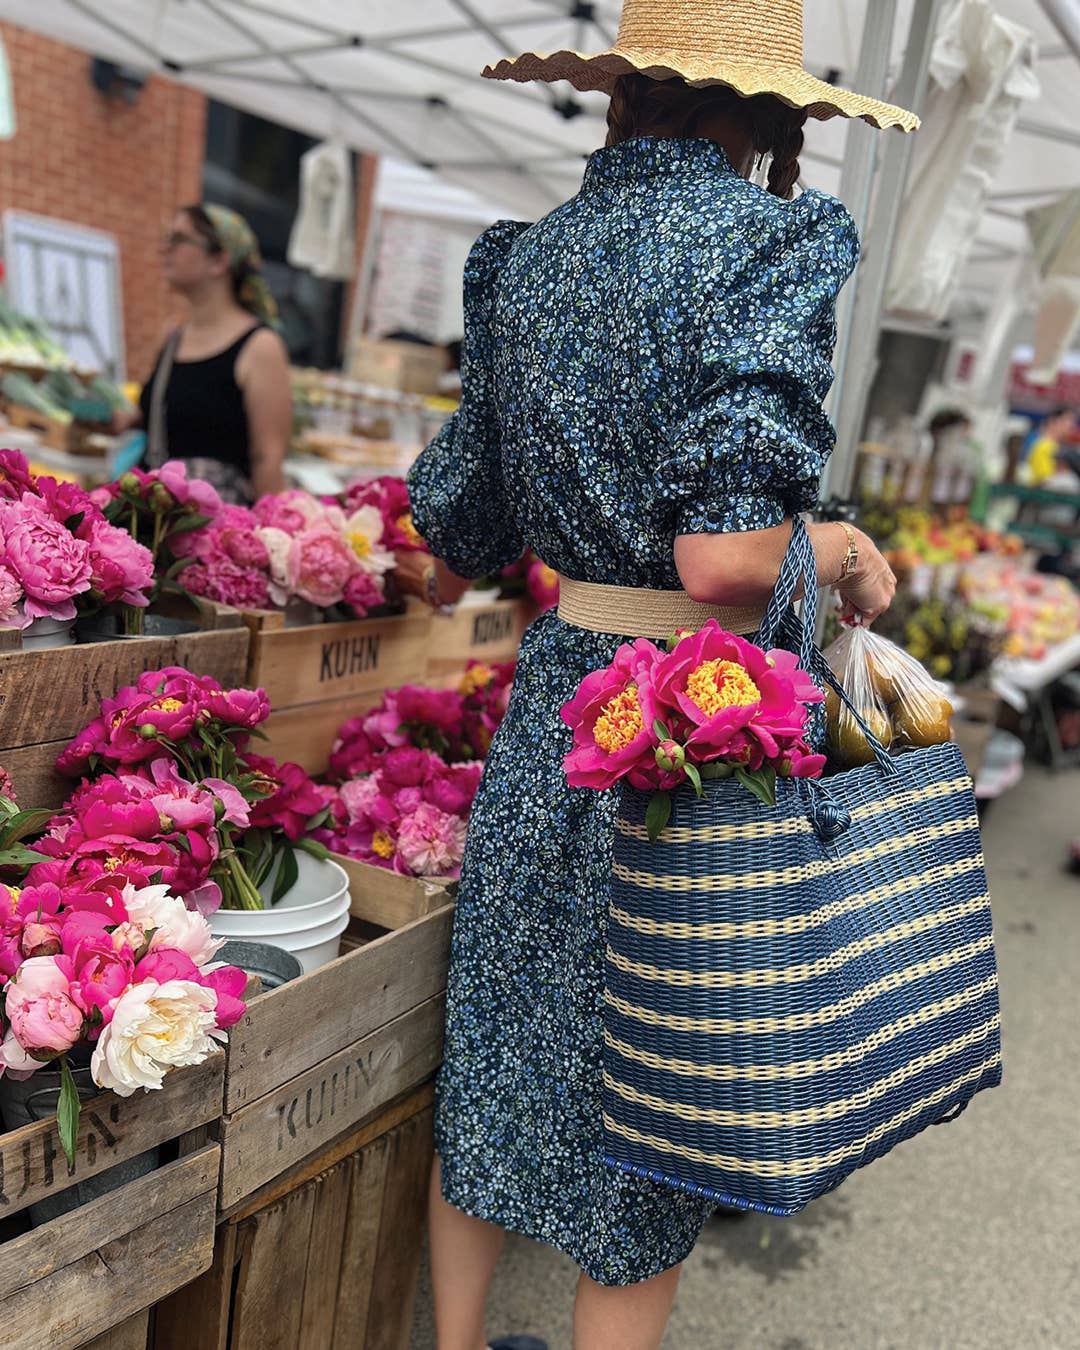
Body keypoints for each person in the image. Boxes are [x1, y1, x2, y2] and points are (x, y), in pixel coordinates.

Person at [401, 2, 910, 1346]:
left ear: (625, 86)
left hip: (554, 703)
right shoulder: (768, 242)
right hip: (687, 723)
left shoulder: (523, 262)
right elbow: (727, 556)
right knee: (655, 1091)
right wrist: (848, 551)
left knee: (501, 1049)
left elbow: (450, 544)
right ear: (770, 109)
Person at [115, 204, 291, 502]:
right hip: (152, 515)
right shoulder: (172, 336)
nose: (164, 249)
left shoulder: (260, 347)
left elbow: (267, 460)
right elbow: (178, 418)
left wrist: (269, 532)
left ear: (220, 260)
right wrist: (126, 421)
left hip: (214, 528)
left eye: (180, 239)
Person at [1023, 405, 1076, 486]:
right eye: (1067, 421)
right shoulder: (1043, 446)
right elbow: (1043, 480)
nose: (1071, 427)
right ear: (1053, 421)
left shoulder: (1057, 446)